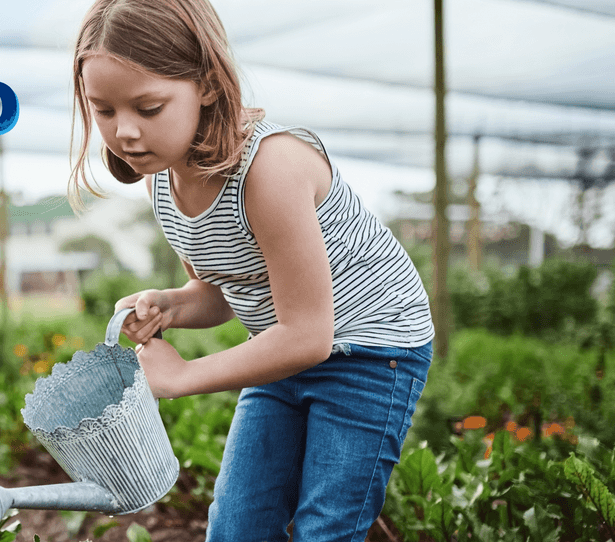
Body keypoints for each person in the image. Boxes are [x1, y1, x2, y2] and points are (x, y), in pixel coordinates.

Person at [68, 0, 435, 539]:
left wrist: (185, 376)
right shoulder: (163, 182)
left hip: (373, 352)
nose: (124, 132)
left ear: (209, 86)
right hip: (285, 351)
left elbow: (310, 334)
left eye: (148, 108)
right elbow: (220, 291)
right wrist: (170, 304)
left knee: (326, 526)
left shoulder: (270, 169)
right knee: (238, 525)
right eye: (104, 110)